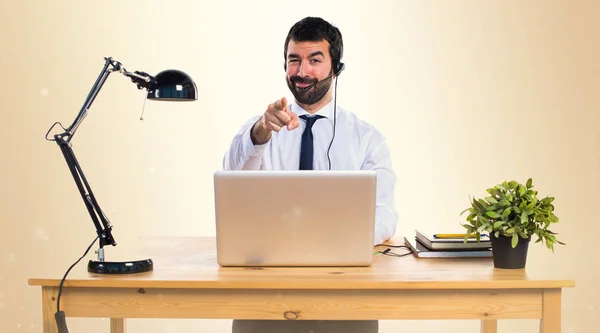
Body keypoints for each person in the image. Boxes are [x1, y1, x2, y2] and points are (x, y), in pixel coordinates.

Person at [223, 16, 398, 333]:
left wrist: (336, 243)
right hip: (264, 297)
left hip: (346, 298)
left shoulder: (366, 138)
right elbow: (231, 181)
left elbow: (384, 213)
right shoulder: (262, 126)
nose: (302, 72)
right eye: (294, 60)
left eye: (315, 60)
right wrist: (261, 131)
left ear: (336, 68)